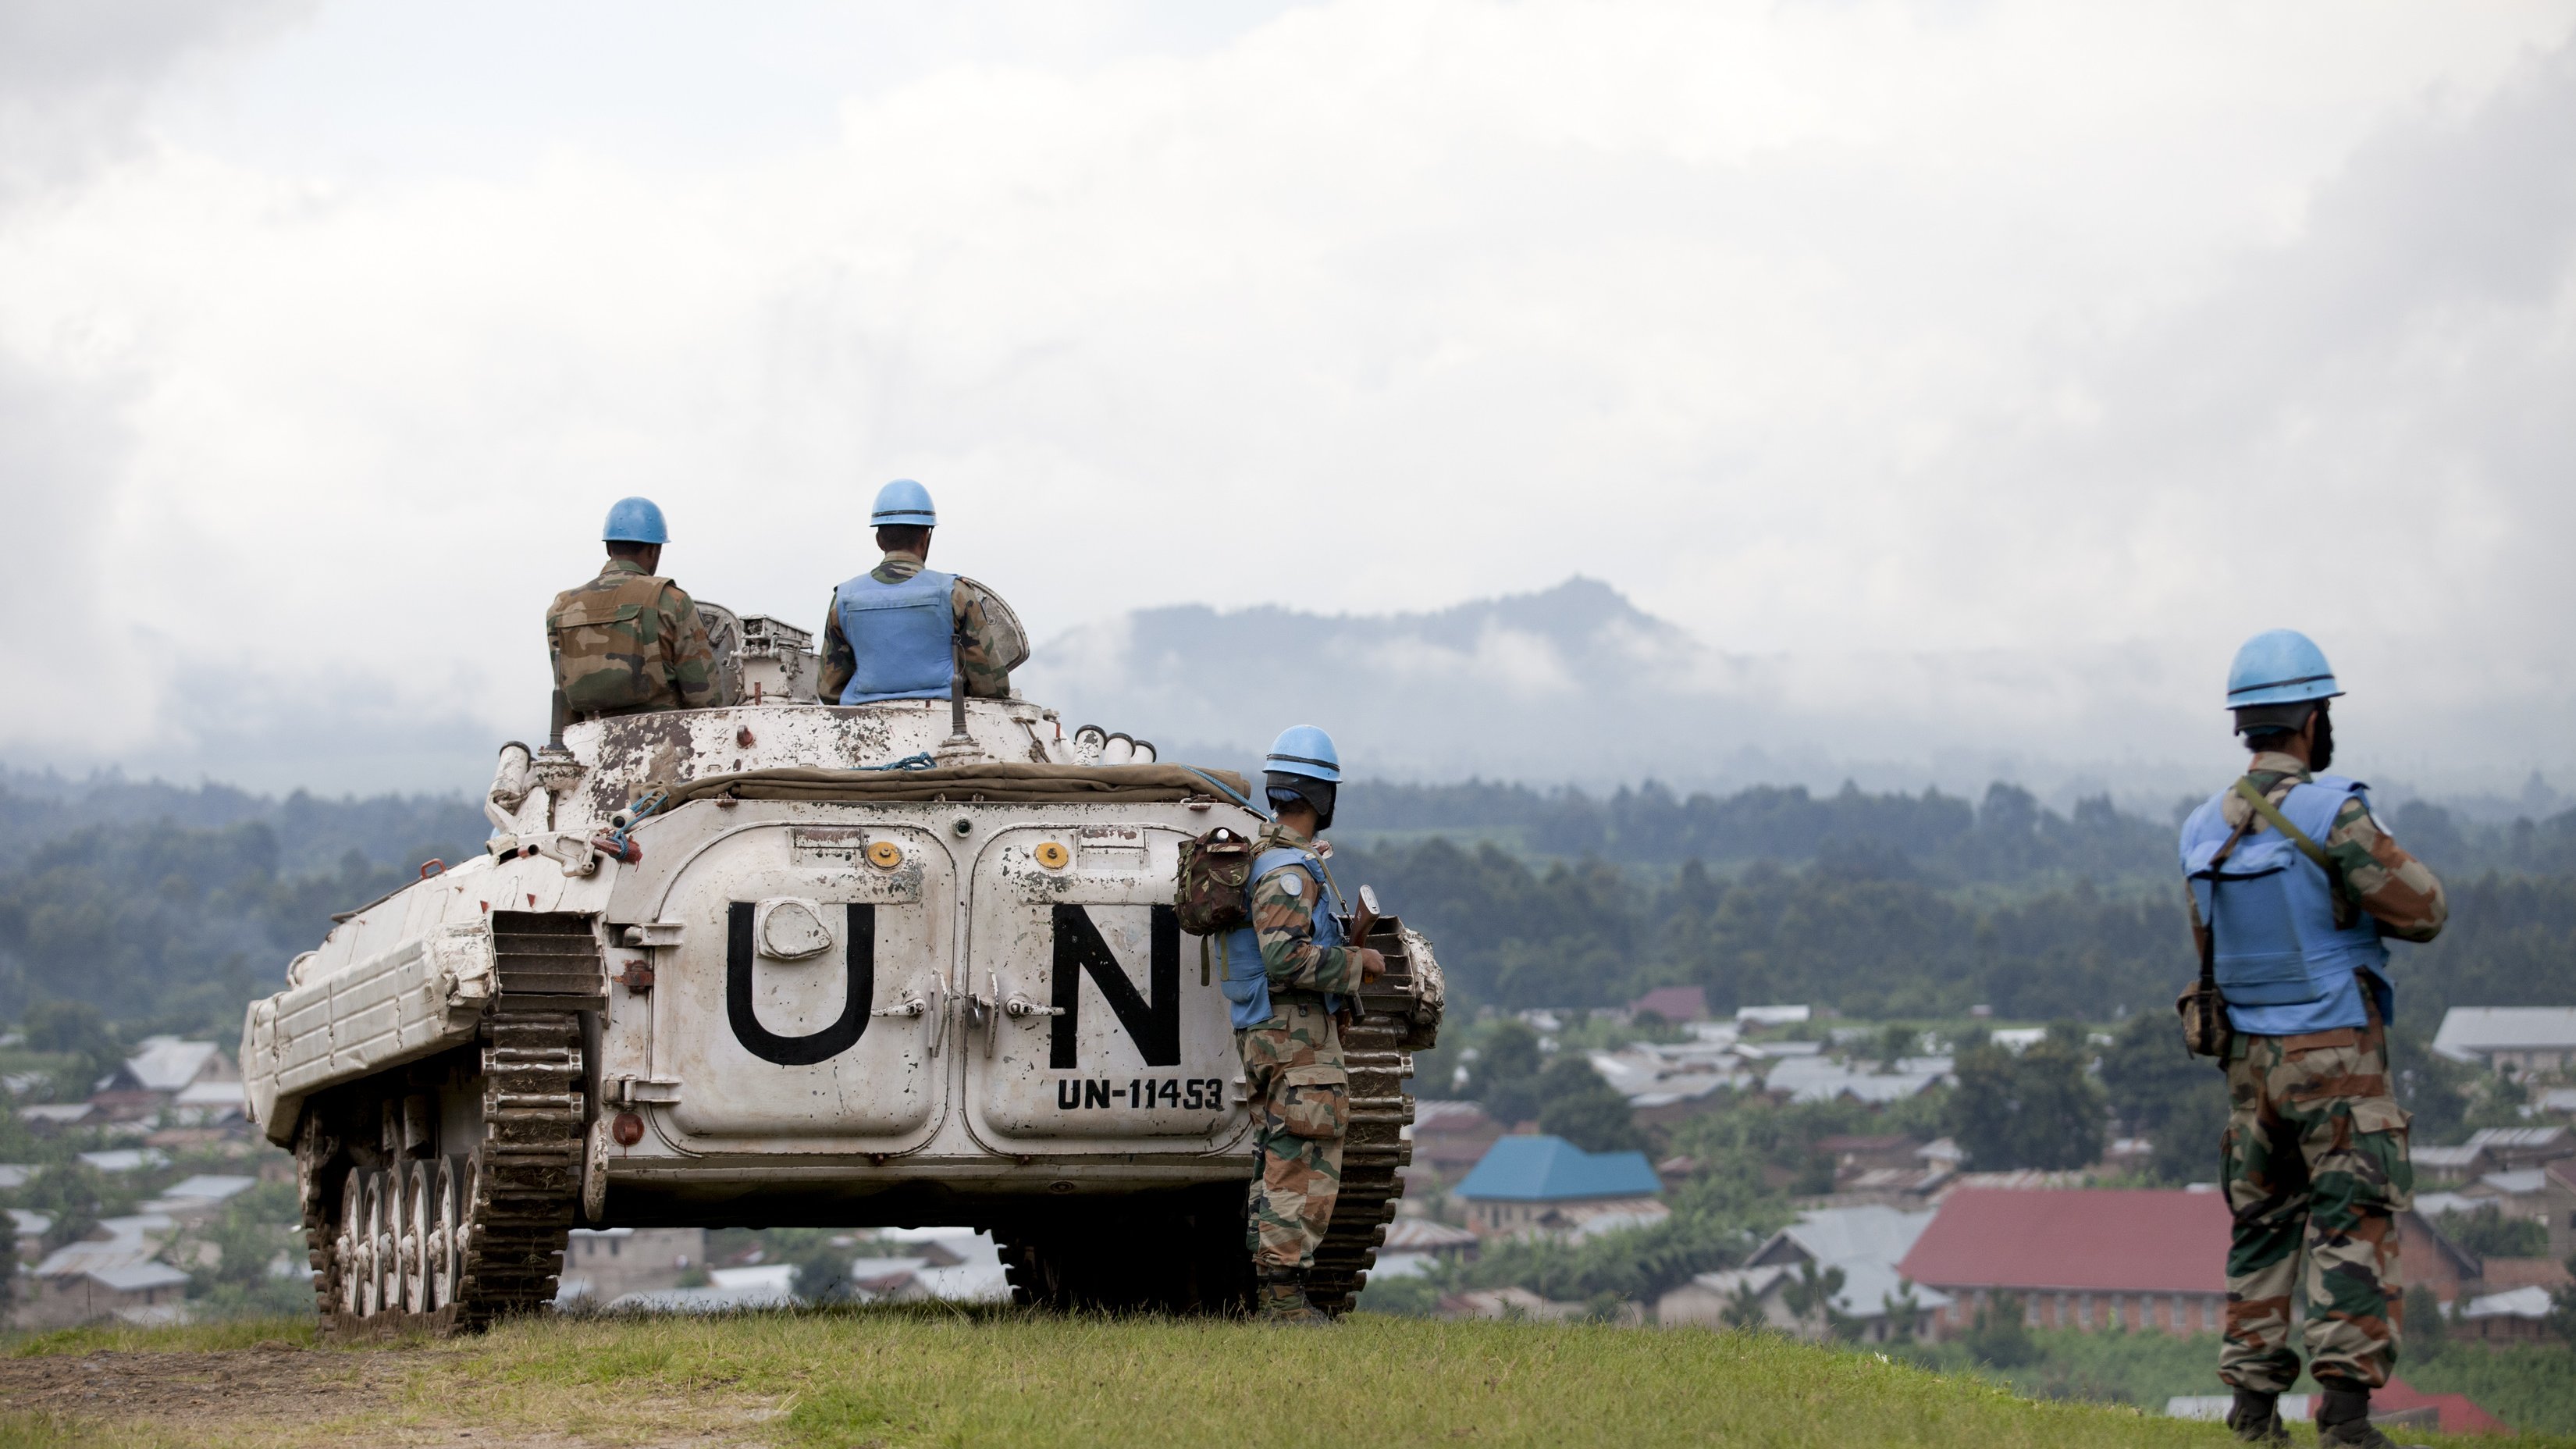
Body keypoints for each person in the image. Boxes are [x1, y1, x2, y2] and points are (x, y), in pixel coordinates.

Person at [2177, 629, 2447, 1449]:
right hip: (2336, 1059)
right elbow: (2425, 908)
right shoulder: (2336, 811)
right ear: (2308, 719)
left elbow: (2210, 941)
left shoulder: (2200, 828)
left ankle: (2254, 1416)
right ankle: (2349, 1421)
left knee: (2262, 1228)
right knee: (2351, 1224)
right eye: (2323, 710)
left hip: (2249, 1067)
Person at [1215, 725, 1386, 1323]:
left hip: (1273, 1033)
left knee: (1280, 1154)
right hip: (1294, 1036)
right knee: (1301, 1160)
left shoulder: (1267, 856)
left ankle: (1273, 1296)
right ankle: (1284, 1304)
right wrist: (1356, 962)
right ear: (1321, 798)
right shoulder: (1289, 870)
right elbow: (1283, 957)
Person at [819, 479, 1024, 705]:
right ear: (926, 537)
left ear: (879, 540)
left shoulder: (844, 599)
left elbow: (829, 689)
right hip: (947, 726)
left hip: (864, 725)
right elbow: (991, 686)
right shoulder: (954, 593)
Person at [546, 497, 717, 720]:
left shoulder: (561, 608)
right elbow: (706, 700)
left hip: (590, 742)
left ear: (609, 547)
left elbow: (565, 701)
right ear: (654, 550)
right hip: (666, 740)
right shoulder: (671, 601)